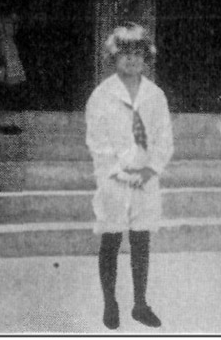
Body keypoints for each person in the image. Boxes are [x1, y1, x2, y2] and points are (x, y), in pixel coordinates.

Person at [85, 22, 174, 330]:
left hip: (145, 178)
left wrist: (151, 169)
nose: (132, 59)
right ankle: (110, 302)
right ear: (113, 57)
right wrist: (117, 172)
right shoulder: (102, 95)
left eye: (138, 53)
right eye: (124, 53)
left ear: (146, 57)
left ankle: (140, 303)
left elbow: (163, 138)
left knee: (141, 239)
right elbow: (97, 140)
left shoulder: (155, 95)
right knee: (111, 238)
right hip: (114, 179)